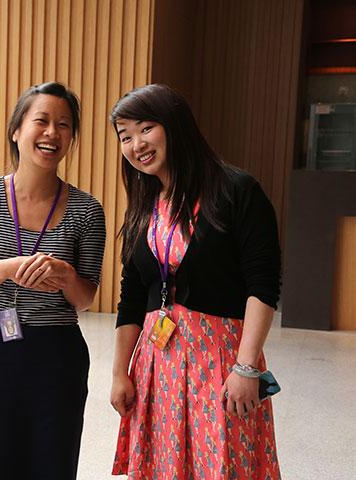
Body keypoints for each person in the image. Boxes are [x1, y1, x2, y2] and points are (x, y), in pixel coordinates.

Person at [108, 84, 281, 479]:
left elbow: (263, 284)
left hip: (221, 360)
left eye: (146, 128)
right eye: (125, 136)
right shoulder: (144, 205)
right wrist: (120, 373)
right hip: (157, 364)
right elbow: (131, 296)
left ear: (175, 125)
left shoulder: (236, 190)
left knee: (224, 463)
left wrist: (247, 367)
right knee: (165, 467)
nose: (137, 144)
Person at [0, 82, 106, 478]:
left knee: (54, 467)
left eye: (65, 125)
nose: (53, 132)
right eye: (42, 121)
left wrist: (67, 275)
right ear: (17, 130)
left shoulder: (87, 210)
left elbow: (85, 299)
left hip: (57, 356)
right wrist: (5, 268)